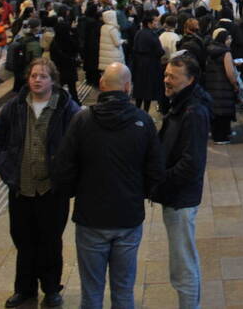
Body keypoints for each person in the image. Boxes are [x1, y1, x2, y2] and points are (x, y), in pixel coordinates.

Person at [54, 62, 164, 309]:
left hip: (90, 217)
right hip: (128, 216)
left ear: (102, 86)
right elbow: (156, 170)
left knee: (91, 292)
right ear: (128, 88)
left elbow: (64, 167)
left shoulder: (82, 120)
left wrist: (76, 192)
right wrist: (139, 193)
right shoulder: (143, 121)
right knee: (124, 291)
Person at [0, 58, 80, 308]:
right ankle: (24, 289)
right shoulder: (15, 107)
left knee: (50, 241)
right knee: (23, 240)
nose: (37, 80)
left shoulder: (67, 109)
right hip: (21, 189)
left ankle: (51, 288)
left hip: (52, 190)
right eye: (34, 76)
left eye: (43, 76)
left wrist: (66, 178)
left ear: (53, 80)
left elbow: (80, 147)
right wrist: (8, 171)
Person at [155, 53, 212, 309]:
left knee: (183, 264)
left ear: (189, 81)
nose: (166, 80)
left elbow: (192, 163)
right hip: (174, 195)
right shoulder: (180, 105)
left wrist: (162, 181)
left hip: (180, 197)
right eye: (166, 74)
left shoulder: (193, 112)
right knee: (180, 262)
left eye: (173, 77)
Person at [205, 29, 239, 144]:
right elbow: (229, 72)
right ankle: (222, 137)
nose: (230, 40)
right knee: (224, 111)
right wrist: (234, 84)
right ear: (224, 39)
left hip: (211, 84)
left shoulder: (210, 50)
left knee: (215, 111)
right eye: (229, 38)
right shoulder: (226, 52)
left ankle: (216, 134)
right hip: (223, 85)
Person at [129, 13, 164, 114]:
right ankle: (145, 113)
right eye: (155, 21)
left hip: (138, 64)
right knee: (148, 92)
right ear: (149, 23)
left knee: (139, 90)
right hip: (150, 66)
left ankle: (136, 111)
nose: (157, 23)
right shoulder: (152, 35)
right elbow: (159, 51)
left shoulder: (139, 33)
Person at [97, 8, 125, 73]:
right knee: (115, 74)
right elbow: (117, 43)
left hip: (106, 57)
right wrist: (123, 41)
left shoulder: (103, 27)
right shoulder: (113, 29)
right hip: (114, 56)